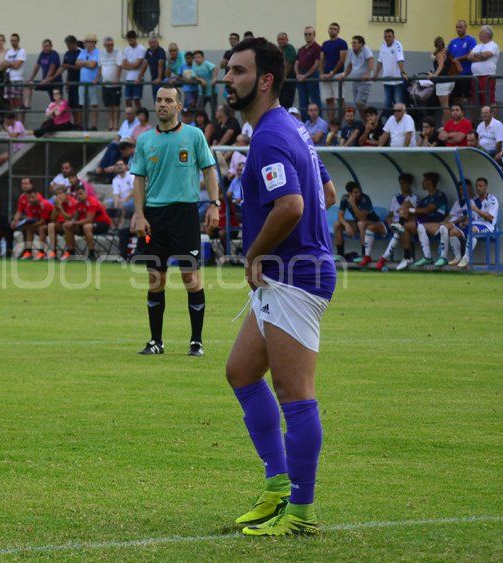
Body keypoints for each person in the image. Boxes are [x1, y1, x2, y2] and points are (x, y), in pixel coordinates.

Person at [223, 37, 338, 537]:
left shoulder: (271, 135)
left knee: (295, 392)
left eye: (238, 71)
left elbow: (291, 205)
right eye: (228, 71)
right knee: (242, 372)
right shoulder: (291, 127)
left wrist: (256, 253)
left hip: (293, 275)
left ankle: (302, 512)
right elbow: (326, 192)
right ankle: (277, 487)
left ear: (265, 79)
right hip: (289, 272)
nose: (228, 78)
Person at [129, 86, 219, 357]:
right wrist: (140, 213)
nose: (162, 105)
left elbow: (209, 170)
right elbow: (139, 179)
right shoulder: (145, 140)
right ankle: (156, 341)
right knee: (155, 279)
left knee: (191, 277)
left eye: (168, 100)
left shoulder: (194, 136)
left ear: (179, 106)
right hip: (155, 216)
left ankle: (196, 341)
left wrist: (214, 205)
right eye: (158, 100)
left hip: (184, 214)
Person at [404, 172, 448, 268]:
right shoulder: (425, 199)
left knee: (408, 225)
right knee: (406, 212)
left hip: (436, 224)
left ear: (430, 182)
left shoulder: (439, 195)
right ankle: (407, 257)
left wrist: (410, 210)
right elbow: (417, 211)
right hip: (424, 221)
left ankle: (424, 257)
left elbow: (428, 210)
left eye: (424, 180)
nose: (422, 183)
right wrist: (406, 210)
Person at [376, 172, 418, 271]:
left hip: (407, 224)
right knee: (372, 227)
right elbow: (390, 213)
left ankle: (383, 258)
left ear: (409, 184)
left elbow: (414, 214)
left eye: (404, 183)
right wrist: (389, 219)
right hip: (393, 225)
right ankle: (373, 256)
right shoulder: (395, 197)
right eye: (401, 183)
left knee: (399, 231)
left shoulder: (414, 198)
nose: (402, 186)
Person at [339, 181, 386, 267]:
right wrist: (347, 226)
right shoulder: (344, 198)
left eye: (359, 191)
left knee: (361, 223)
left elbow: (362, 217)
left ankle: (364, 254)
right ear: (350, 194)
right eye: (355, 192)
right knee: (337, 225)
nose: (359, 194)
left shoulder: (365, 198)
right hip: (359, 223)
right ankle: (340, 255)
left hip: (374, 223)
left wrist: (353, 204)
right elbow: (340, 216)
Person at [64, 183, 111, 259]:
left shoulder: (91, 202)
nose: (79, 196)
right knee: (66, 226)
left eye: (81, 194)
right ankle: (71, 252)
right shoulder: (78, 204)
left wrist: (73, 222)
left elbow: (89, 219)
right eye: (77, 194)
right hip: (87, 225)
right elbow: (75, 217)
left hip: (102, 224)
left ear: (85, 193)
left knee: (86, 226)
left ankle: (91, 252)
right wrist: (72, 222)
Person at [318, 22, 348, 121]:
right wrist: (322, 74)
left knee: (339, 99)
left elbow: (342, 60)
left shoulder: (342, 43)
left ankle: (339, 123)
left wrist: (332, 73)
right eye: (331, 28)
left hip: (337, 75)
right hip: (326, 76)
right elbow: (321, 60)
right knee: (329, 100)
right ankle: (331, 124)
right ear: (328, 30)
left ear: (338, 31)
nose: (332, 30)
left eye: (335, 29)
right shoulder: (325, 44)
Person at [373, 29, 408, 111]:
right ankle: (389, 122)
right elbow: (380, 61)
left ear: (393, 37)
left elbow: (400, 59)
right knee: (386, 104)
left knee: (398, 104)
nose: (387, 38)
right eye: (385, 36)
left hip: (397, 81)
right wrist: (375, 74)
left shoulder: (398, 44)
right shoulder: (383, 45)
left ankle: (402, 122)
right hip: (386, 81)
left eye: (389, 36)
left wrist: (403, 72)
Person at [467, 26, 499, 113]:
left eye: (480, 33)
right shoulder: (478, 46)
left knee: (489, 101)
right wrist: (480, 56)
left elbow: (486, 55)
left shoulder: (493, 45)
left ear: (487, 34)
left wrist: (476, 56)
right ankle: (477, 124)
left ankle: (493, 123)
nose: (478, 34)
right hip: (475, 77)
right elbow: (469, 57)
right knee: (475, 101)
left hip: (487, 76)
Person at [447, 20, 477, 107]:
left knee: (469, 98)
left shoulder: (471, 40)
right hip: (455, 75)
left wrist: (458, 59)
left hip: (467, 74)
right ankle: (457, 118)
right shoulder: (453, 42)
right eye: (457, 27)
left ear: (465, 28)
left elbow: (471, 54)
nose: (458, 29)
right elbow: (449, 56)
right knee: (455, 97)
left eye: (460, 27)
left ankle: (472, 120)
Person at [295, 26, 322, 120]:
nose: (307, 36)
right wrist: (298, 74)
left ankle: (318, 122)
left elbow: (316, 64)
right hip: (301, 76)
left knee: (315, 100)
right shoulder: (301, 49)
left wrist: (305, 75)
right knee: (302, 102)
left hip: (311, 75)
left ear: (314, 35)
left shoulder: (317, 48)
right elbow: (296, 63)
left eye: (309, 34)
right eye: (305, 34)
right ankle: (306, 123)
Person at [17, 190, 53, 259]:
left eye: (32, 197)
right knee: (29, 229)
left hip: (51, 225)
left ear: (37, 196)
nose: (30, 199)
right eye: (28, 198)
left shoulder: (44, 204)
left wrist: (30, 226)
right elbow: (31, 219)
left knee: (41, 228)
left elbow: (43, 221)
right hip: (41, 225)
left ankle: (41, 252)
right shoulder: (29, 206)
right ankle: (28, 252)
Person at [76, 34, 102, 130]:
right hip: (82, 82)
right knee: (82, 104)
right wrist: (87, 63)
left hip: (92, 82)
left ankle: (94, 125)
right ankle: (83, 124)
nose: (86, 44)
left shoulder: (97, 52)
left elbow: (93, 65)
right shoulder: (83, 52)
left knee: (94, 104)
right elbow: (77, 63)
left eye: (88, 42)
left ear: (93, 43)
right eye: (86, 42)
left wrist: (83, 63)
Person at [429, 37, 454, 124]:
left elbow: (441, 66)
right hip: (450, 80)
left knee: (444, 106)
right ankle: (445, 123)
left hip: (442, 81)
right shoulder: (447, 52)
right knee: (446, 105)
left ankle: (448, 125)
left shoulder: (439, 54)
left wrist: (434, 75)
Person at [122, 31, 148, 111]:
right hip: (128, 79)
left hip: (137, 78)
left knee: (136, 100)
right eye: (129, 40)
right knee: (127, 100)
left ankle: (139, 119)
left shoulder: (141, 49)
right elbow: (123, 65)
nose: (130, 42)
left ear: (135, 39)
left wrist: (129, 65)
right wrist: (133, 66)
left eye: (131, 40)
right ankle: (131, 118)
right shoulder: (126, 49)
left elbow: (138, 65)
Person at [276, 33, 298, 110]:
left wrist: (284, 76)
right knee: (280, 103)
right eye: (279, 39)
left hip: (289, 81)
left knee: (287, 103)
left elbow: (289, 64)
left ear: (287, 40)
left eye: (282, 39)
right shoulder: (277, 49)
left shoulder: (290, 48)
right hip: (280, 82)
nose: (280, 41)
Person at [144, 36, 167, 102]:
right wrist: (139, 77)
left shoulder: (161, 51)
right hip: (154, 80)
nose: (152, 44)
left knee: (162, 100)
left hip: (162, 80)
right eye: (150, 42)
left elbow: (161, 65)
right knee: (156, 100)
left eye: (153, 42)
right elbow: (144, 64)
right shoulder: (148, 51)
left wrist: (159, 78)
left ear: (157, 43)